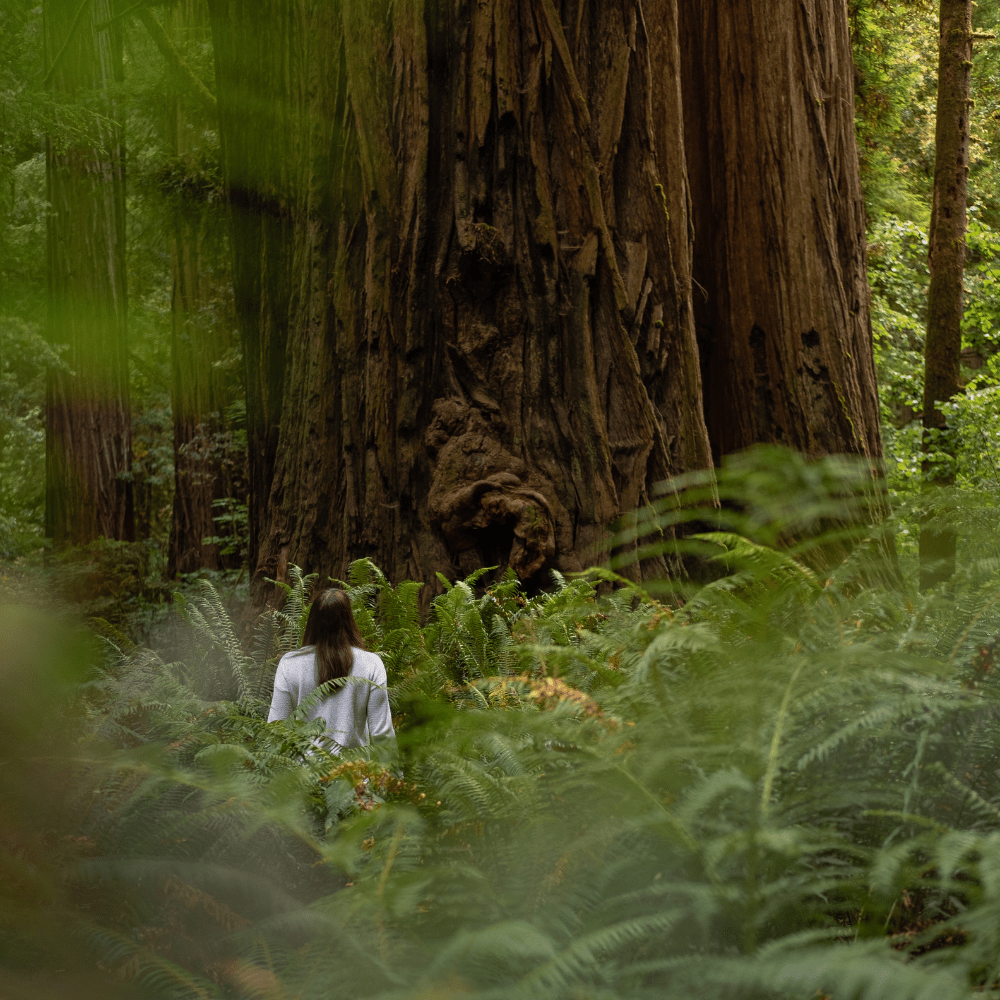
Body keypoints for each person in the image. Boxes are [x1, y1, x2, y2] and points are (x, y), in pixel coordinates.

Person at [267, 588, 395, 753]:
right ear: (349, 620)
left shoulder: (290, 663)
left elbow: (277, 728)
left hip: (302, 776)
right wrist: (394, 777)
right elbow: (382, 734)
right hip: (352, 775)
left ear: (313, 621)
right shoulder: (371, 664)